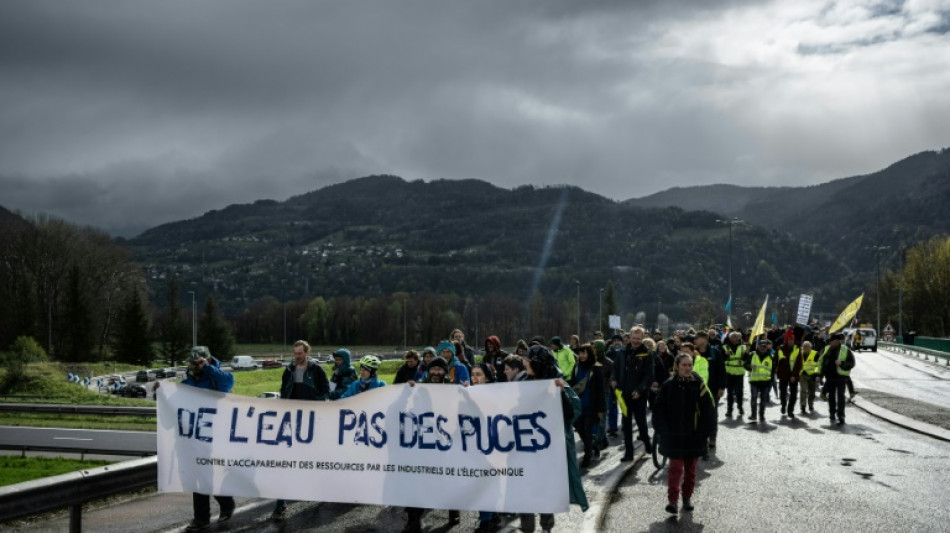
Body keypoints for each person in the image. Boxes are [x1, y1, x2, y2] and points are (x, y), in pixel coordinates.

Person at [519, 345, 589, 532]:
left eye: (527, 359)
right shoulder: (522, 380)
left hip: (546, 450)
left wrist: (561, 393)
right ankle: (527, 528)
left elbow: (570, 413)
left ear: (537, 363)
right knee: (523, 489)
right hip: (523, 447)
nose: (523, 362)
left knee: (543, 489)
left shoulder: (556, 383)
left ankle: (546, 526)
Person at [652, 353, 717, 515]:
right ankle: (672, 501)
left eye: (690, 365)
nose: (688, 368)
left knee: (691, 471)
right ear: (677, 366)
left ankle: (687, 498)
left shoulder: (699, 385)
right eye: (684, 365)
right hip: (674, 436)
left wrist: (705, 432)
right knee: (675, 469)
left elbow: (708, 409)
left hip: (694, 436)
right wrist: (663, 431)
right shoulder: (668, 385)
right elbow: (658, 410)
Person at [272, 340, 329, 520]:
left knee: (312, 458)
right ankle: (280, 504)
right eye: (295, 353)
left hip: (312, 421)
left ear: (306, 352)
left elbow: (325, 392)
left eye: (300, 353)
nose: (297, 356)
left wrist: (314, 408)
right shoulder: (288, 371)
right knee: (286, 462)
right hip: (292, 421)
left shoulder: (316, 370)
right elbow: (283, 393)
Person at [180, 347, 236, 531]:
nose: (194, 366)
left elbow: (228, 384)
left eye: (198, 362)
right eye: (193, 362)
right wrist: (162, 390)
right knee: (199, 474)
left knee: (206, 474)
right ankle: (212, 511)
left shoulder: (216, 376)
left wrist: (208, 368)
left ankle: (208, 514)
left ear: (207, 360)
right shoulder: (190, 377)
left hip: (215, 433)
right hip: (195, 433)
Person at [404, 356, 458, 532]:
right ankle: (413, 519)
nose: (436, 372)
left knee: (449, 477)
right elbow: (408, 409)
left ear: (445, 371)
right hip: (424, 441)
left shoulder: (453, 388)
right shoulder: (419, 388)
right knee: (416, 479)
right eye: (433, 369)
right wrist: (407, 392)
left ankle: (453, 509)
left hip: (446, 442)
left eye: (440, 369)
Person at [611, 326, 654, 461]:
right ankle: (629, 453)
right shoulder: (622, 352)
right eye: (634, 338)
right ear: (630, 337)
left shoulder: (647, 354)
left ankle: (647, 441)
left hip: (639, 396)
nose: (635, 341)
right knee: (626, 424)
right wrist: (612, 379)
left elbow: (649, 376)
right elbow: (615, 369)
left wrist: (640, 390)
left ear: (642, 339)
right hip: (623, 395)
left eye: (638, 339)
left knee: (641, 423)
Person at [470, 363, 501, 532]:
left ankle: (485, 521)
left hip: (492, 446)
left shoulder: (495, 394)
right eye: (472, 374)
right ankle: (492, 515)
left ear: (487, 377)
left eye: (478, 374)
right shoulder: (468, 393)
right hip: (475, 446)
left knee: (486, 482)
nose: (474, 378)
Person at [570, 344, 606, 467]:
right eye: (580, 353)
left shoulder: (597, 368)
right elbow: (572, 384)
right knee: (580, 430)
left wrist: (601, 408)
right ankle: (592, 446)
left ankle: (587, 457)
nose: (581, 355)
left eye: (584, 353)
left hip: (592, 406)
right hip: (578, 405)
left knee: (587, 430)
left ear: (589, 354)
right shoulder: (576, 367)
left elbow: (601, 389)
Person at [819, 332, 856, 425]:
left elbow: (852, 363)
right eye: (831, 341)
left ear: (837, 341)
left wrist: (842, 363)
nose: (832, 343)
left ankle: (841, 416)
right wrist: (819, 375)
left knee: (841, 397)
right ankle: (832, 413)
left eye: (835, 341)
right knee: (831, 397)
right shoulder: (826, 349)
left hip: (841, 377)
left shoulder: (845, 349)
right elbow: (820, 363)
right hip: (830, 377)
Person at [775, 329, 803, 419]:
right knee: (783, 393)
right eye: (789, 340)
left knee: (793, 395)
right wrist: (774, 371)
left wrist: (794, 375)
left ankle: (790, 410)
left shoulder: (797, 350)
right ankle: (783, 405)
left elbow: (799, 364)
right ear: (786, 340)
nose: (791, 341)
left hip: (793, 376)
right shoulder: (780, 349)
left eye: (792, 340)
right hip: (783, 375)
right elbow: (775, 361)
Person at [745, 339, 774, 423]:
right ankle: (753, 415)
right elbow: (745, 365)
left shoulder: (770, 357)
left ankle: (761, 415)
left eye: (764, 347)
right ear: (758, 346)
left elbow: (773, 369)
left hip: (765, 382)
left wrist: (771, 380)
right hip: (754, 381)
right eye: (761, 346)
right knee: (754, 398)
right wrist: (749, 366)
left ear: (767, 348)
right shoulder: (752, 355)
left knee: (763, 400)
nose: (763, 348)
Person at [721, 331, 747, 418]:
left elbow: (747, 359)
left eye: (737, 337)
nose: (736, 339)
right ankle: (729, 410)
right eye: (734, 337)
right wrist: (725, 355)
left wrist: (747, 355)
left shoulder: (743, 347)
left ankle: (740, 406)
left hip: (739, 373)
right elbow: (721, 360)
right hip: (729, 373)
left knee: (739, 392)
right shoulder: (724, 347)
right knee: (730, 393)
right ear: (730, 338)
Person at [603, 334, 625, 437]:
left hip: (623, 385)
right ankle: (613, 428)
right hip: (610, 385)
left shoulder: (625, 353)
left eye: (618, 340)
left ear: (622, 342)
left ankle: (625, 425)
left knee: (623, 406)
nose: (617, 342)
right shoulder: (608, 354)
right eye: (615, 340)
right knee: (612, 407)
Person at [798, 341, 821, 414]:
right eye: (804, 346)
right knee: (803, 390)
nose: (805, 348)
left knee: (812, 392)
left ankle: (810, 404)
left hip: (812, 376)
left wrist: (817, 375)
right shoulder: (799, 354)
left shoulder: (815, 354)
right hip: (802, 375)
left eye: (807, 346)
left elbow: (818, 365)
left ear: (810, 347)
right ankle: (803, 406)